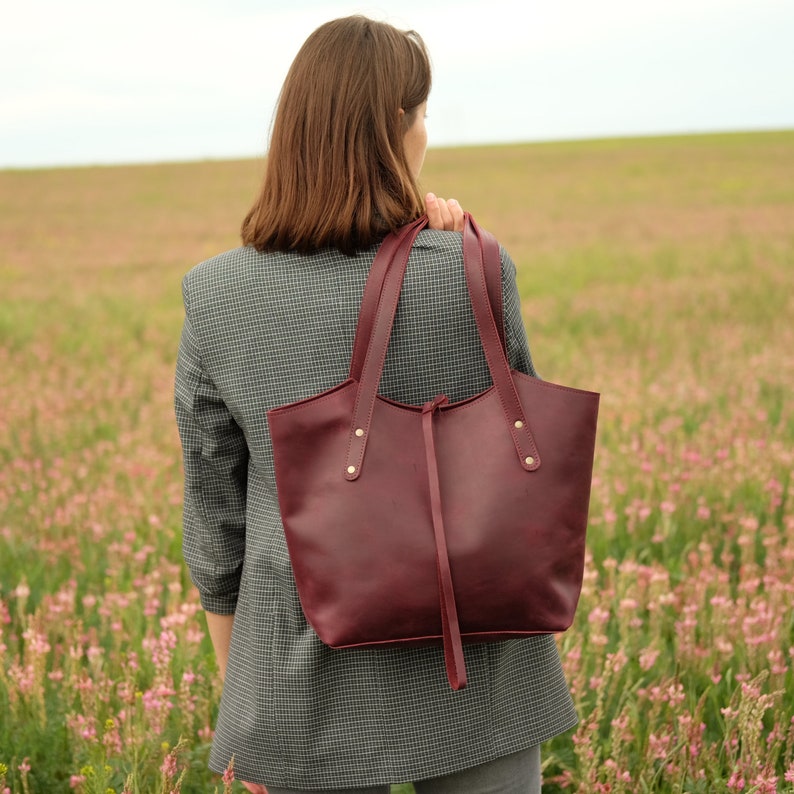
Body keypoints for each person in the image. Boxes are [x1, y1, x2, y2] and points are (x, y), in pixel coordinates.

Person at [174, 15, 576, 794]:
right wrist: (458, 251)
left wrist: (244, 688)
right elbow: (516, 449)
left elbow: (214, 511)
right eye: (423, 114)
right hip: (476, 657)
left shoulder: (215, 295)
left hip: (297, 666)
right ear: (396, 127)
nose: (429, 132)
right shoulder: (473, 270)